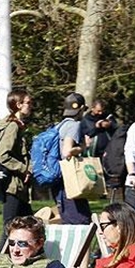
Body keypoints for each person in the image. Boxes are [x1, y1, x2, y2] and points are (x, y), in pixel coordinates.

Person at [0, 88, 35, 250]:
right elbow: (2, 154)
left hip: (18, 186)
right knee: (10, 225)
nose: (30, 106)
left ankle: (31, 257)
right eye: (28, 103)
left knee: (29, 224)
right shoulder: (13, 127)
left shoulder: (17, 125)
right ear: (18, 105)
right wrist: (23, 169)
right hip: (12, 186)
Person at [55, 92, 92, 225]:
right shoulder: (74, 125)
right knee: (80, 221)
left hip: (59, 179)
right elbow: (67, 152)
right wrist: (83, 146)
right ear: (81, 109)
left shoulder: (60, 125)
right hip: (69, 179)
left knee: (68, 219)